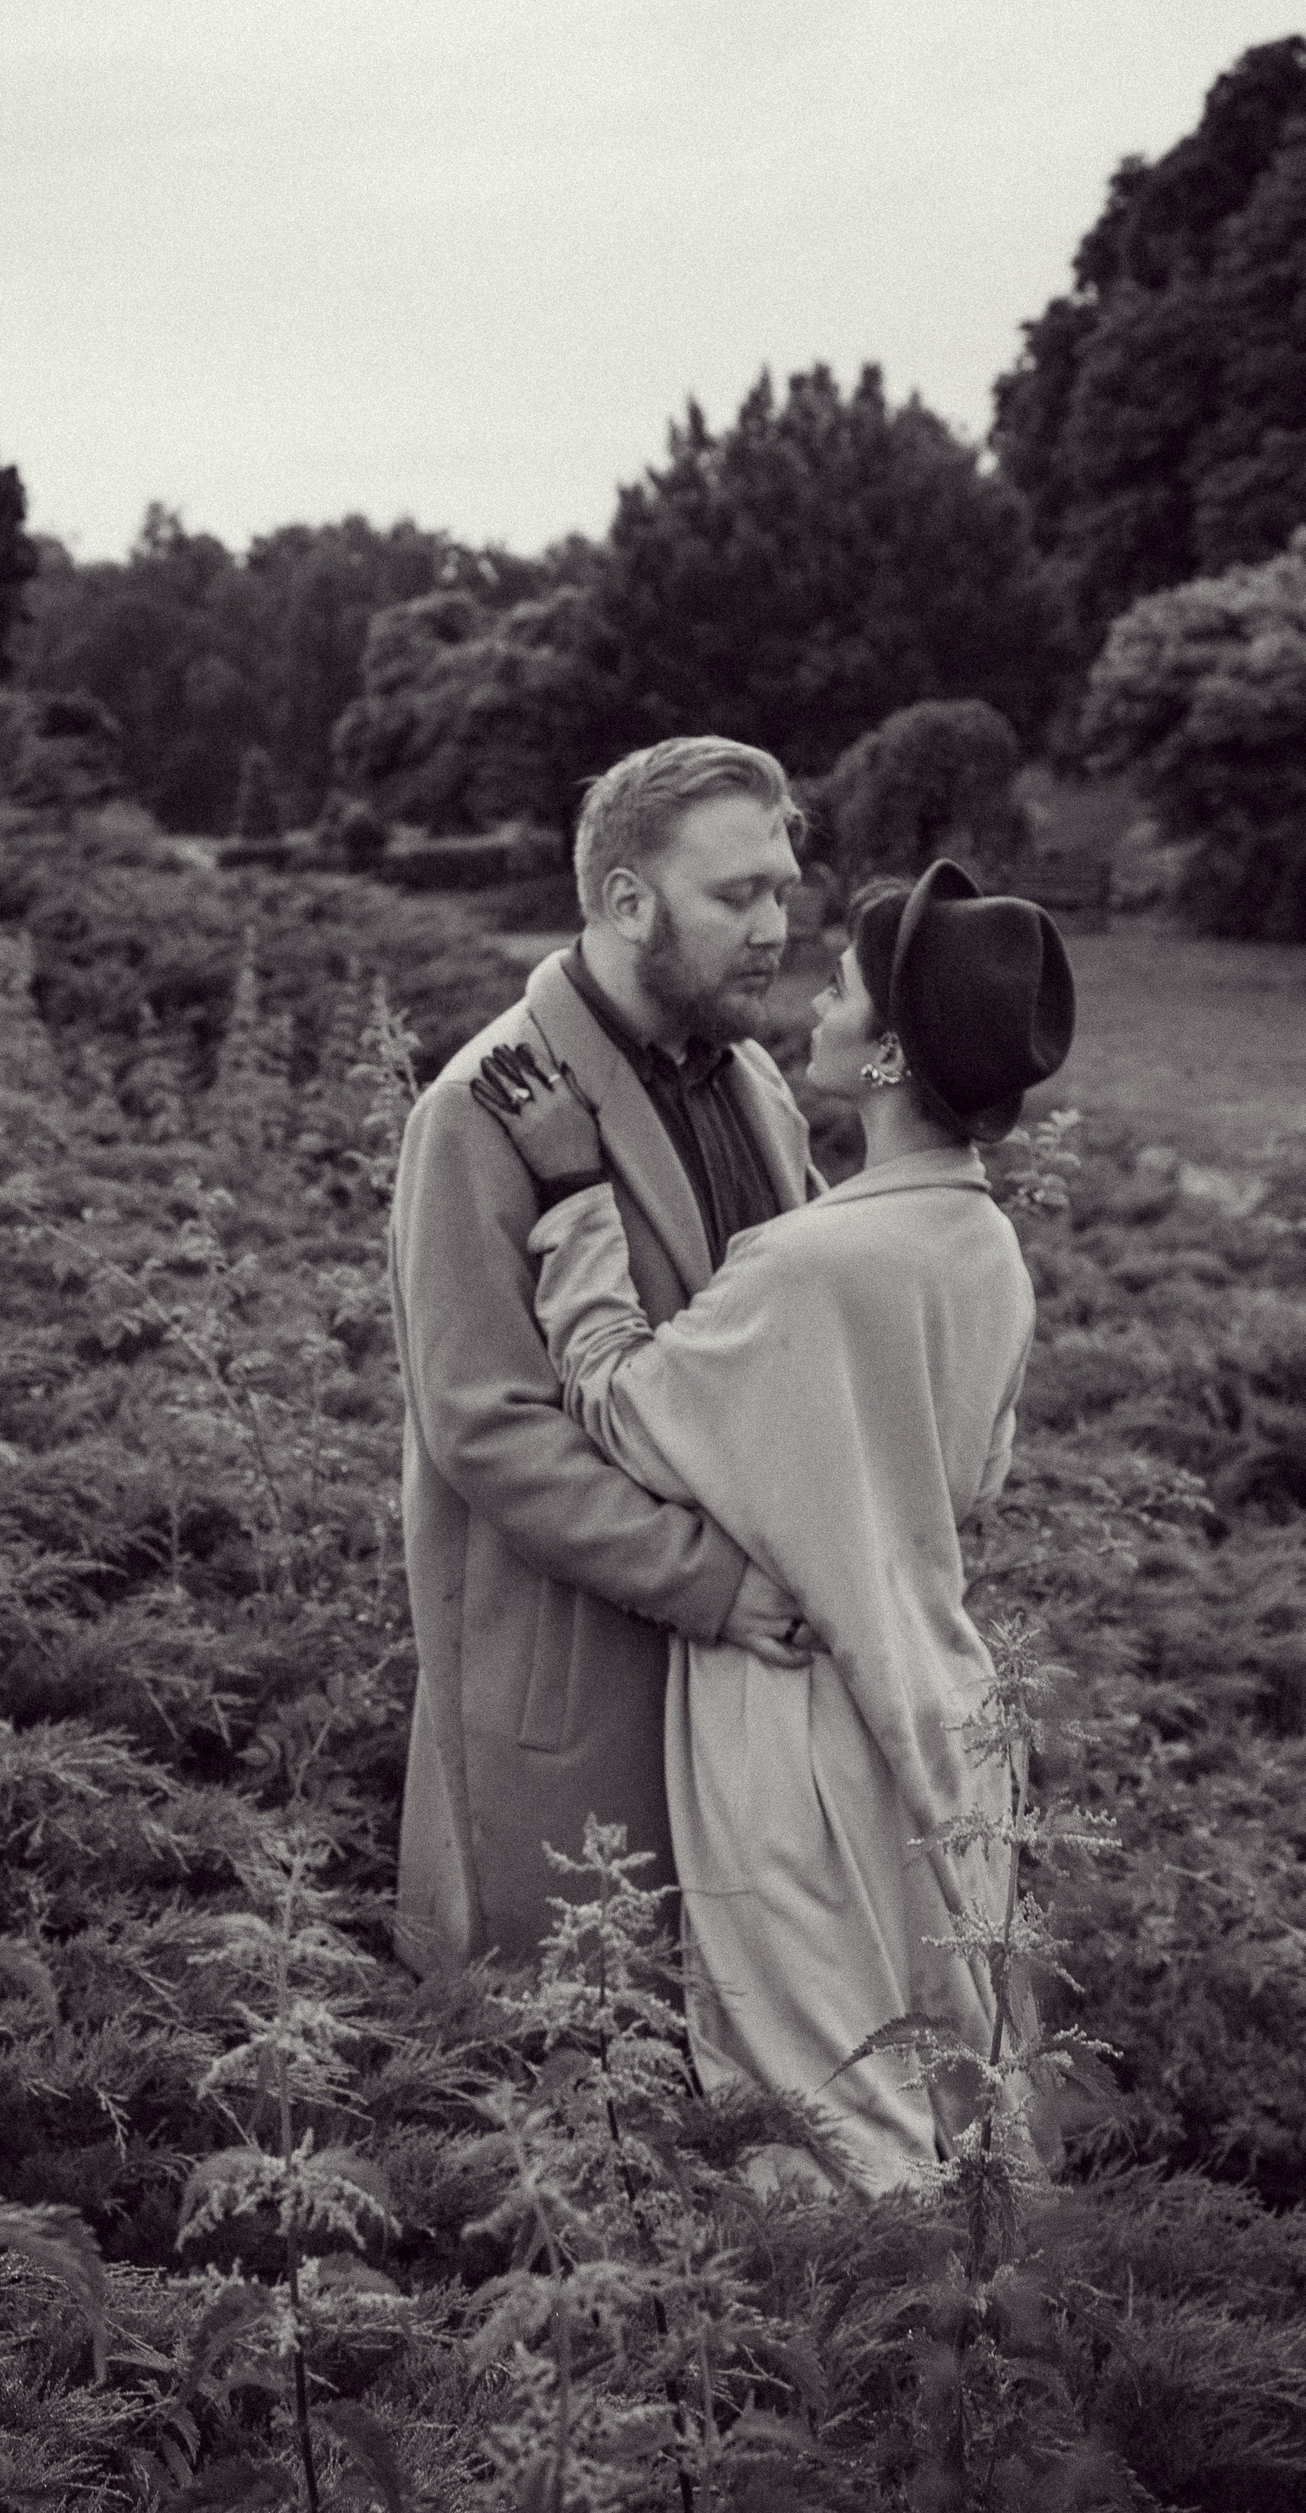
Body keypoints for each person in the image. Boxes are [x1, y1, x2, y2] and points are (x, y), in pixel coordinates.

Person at [471, 859, 1074, 2190]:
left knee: (822, 2116)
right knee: (959, 2093)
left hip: (797, 1720)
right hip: (945, 1711)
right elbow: (970, 1479)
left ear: (887, 1057)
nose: (813, 1001)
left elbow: (617, 1404)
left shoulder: (808, 1269)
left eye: (843, 988)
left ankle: (856, 2327)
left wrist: (574, 1196)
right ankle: (994, 2311)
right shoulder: (983, 1246)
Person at [389, 737, 825, 1976]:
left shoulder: (752, 1078)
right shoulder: (474, 1111)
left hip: (753, 1683)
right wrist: (709, 1583)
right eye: (735, 895)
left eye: (782, 890)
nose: (775, 927)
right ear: (627, 902)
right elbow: (486, 1430)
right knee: (558, 2037)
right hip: (580, 1677)